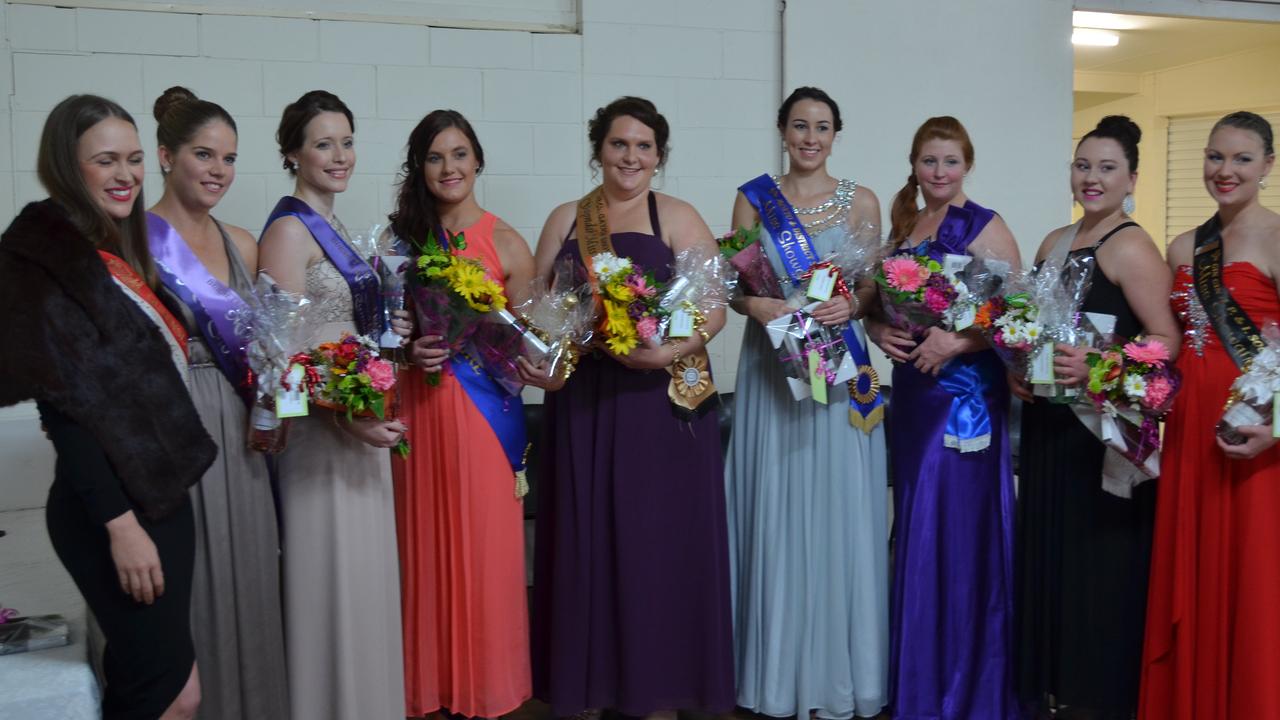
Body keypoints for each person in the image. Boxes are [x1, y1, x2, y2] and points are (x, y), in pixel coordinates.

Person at [0, 94, 216, 719]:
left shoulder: (113, 251)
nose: (125, 175)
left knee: (150, 682)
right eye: (105, 161)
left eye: (134, 159)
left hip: (158, 496)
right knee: (173, 697)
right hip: (111, 510)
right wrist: (121, 528)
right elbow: (67, 411)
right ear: (69, 167)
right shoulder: (43, 261)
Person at [519, 96, 735, 719]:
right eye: (619, 144)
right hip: (586, 402)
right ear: (599, 150)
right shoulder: (567, 218)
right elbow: (544, 312)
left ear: (659, 156)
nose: (631, 157)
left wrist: (668, 350)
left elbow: (713, 310)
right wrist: (550, 363)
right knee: (590, 542)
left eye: (644, 146)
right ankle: (592, 688)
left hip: (657, 406)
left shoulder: (678, 216)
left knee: (654, 546)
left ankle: (658, 688)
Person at [725, 86, 889, 719]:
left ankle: (838, 672)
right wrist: (754, 304)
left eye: (822, 127)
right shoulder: (753, 198)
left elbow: (873, 286)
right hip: (774, 370)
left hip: (841, 369)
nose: (810, 138)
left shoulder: (864, 201)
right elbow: (732, 288)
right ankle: (772, 675)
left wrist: (855, 303)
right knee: (777, 500)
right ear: (782, 131)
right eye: (799, 126)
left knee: (839, 506)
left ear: (836, 134)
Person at [1014, 115, 1180, 720]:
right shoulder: (1053, 241)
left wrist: (1100, 366)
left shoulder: (1132, 245)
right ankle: (1057, 690)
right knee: (1053, 563)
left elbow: (1167, 342)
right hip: (1048, 428)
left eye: (1107, 168)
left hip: (1101, 435)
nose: (1091, 178)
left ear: (1130, 178)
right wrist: (1018, 366)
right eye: (1083, 165)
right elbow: (1032, 327)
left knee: (1096, 571)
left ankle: (1100, 697)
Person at [864, 115, 1023, 719]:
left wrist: (957, 343)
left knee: (954, 528)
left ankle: (963, 685)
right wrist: (879, 329)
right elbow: (875, 303)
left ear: (967, 166)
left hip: (963, 398)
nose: (938, 173)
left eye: (950, 162)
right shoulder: (907, 225)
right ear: (914, 165)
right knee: (916, 521)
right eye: (929, 162)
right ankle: (921, 679)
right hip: (913, 393)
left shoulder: (985, 226)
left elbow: (1017, 314)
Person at [257, 90, 406, 720]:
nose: (339, 155)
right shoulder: (290, 231)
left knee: (365, 585)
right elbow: (276, 362)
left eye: (346, 141)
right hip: (324, 438)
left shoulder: (342, 226)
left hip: (361, 429)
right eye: (323, 143)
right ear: (292, 152)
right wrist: (346, 415)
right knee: (330, 585)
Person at [146, 85, 290, 720]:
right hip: (169, 425)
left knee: (252, 576)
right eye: (204, 155)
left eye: (229, 159)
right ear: (164, 156)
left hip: (241, 428)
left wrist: (280, 408)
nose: (218, 172)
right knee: (192, 583)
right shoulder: (132, 243)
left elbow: (267, 347)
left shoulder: (244, 242)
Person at [390, 109, 536, 719]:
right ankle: (425, 692)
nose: (448, 168)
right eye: (434, 157)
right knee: (419, 549)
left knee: (485, 557)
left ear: (477, 161)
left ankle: (487, 692)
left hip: (484, 419)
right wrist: (405, 343)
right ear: (419, 168)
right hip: (418, 410)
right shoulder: (398, 242)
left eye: (458, 154)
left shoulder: (507, 242)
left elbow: (529, 338)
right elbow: (380, 333)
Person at [1140, 111, 1280, 720]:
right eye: (1215, 156)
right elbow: (1168, 344)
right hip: (1190, 433)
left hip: (1254, 439)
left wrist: (1275, 431)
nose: (1225, 171)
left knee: (1248, 581)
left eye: (1241, 159)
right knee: (1192, 576)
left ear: (1267, 167)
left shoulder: (1277, 238)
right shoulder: (1182, 245)